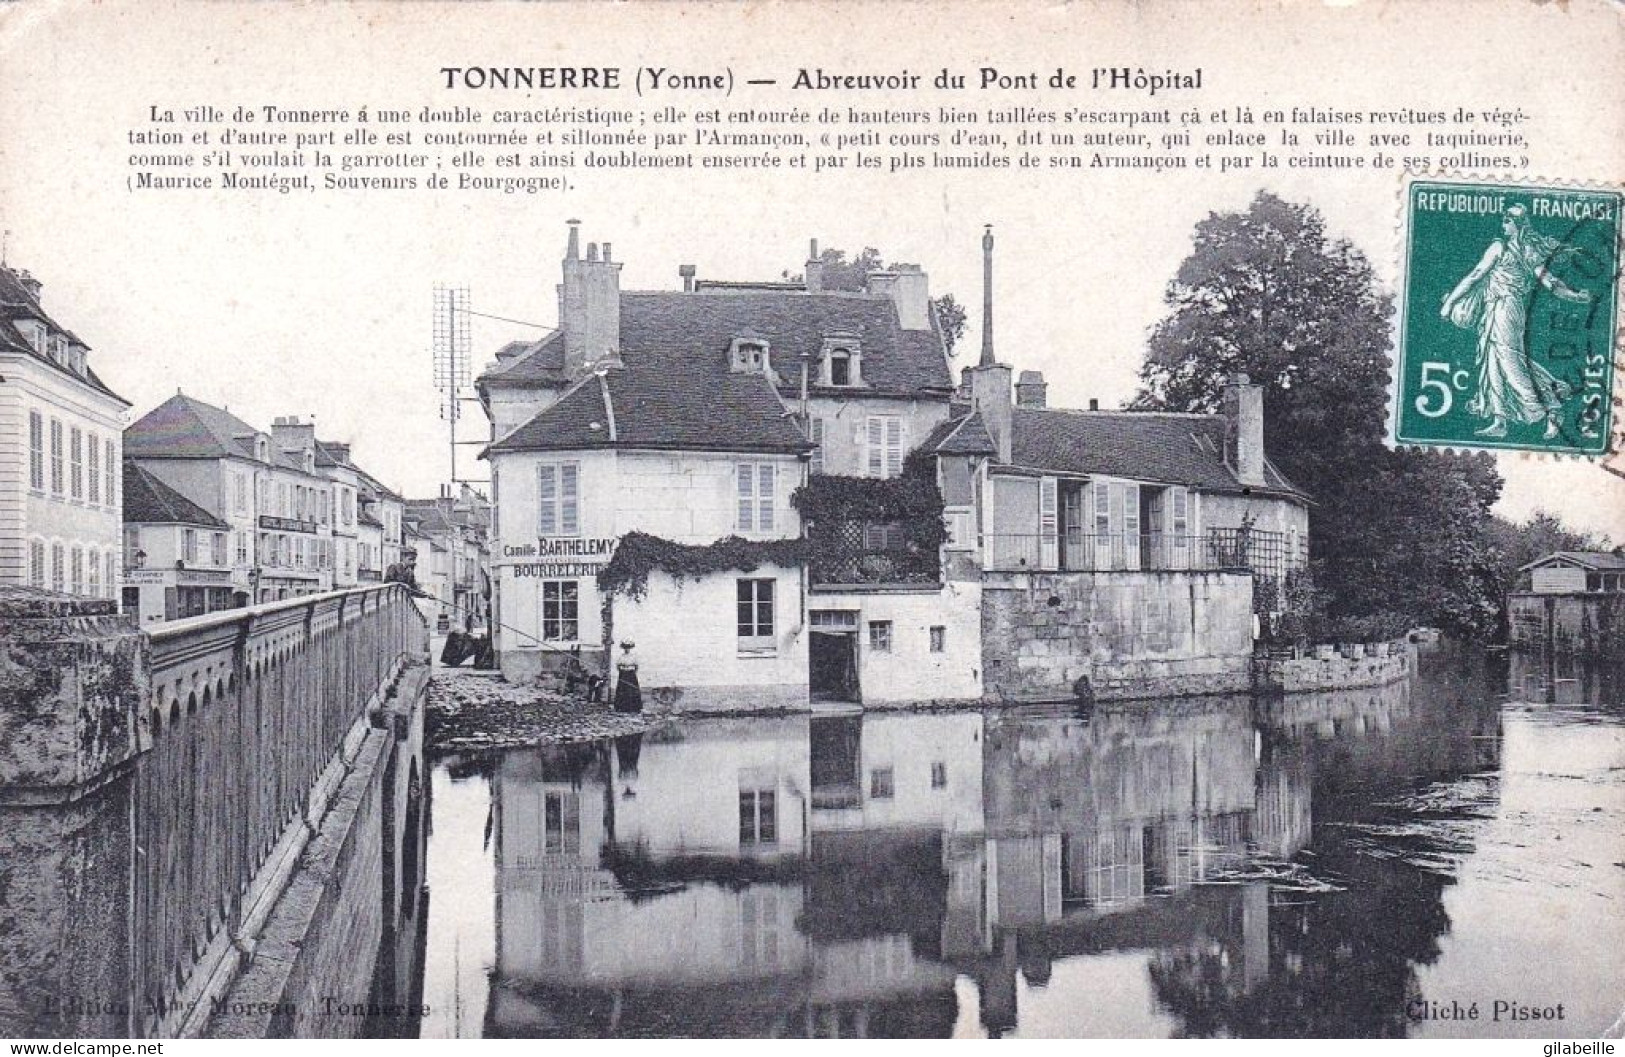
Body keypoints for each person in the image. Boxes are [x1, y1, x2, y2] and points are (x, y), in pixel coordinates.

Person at [1440, 204, 1593, 439]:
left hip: (1507, 308)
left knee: (1509, 361)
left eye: (1507, 220)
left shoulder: (1508, 248)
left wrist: (1450, 302)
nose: (1503, 224)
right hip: (1495, 309)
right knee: (1493, 362)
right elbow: (1548, 281)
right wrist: (1576, 296)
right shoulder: (1516, 248)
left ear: (1518, 224)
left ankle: (1552, 408)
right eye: (1503, 219)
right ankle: (1500, 420)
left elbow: (1477, 275)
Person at [613, 640, 643, 714]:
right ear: (623, 648)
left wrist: (631, 672)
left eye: (628, 648)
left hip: (631, 675)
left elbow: (636, 666)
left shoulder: (633, 657)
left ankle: (634, 707)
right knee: (622, 690)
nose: (627, 649)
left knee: (632, 690)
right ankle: (622, 707)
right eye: (625, 648)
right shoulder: (621, 657)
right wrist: (622, 670)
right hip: (623, 674)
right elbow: (618, 666)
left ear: (630, 648)